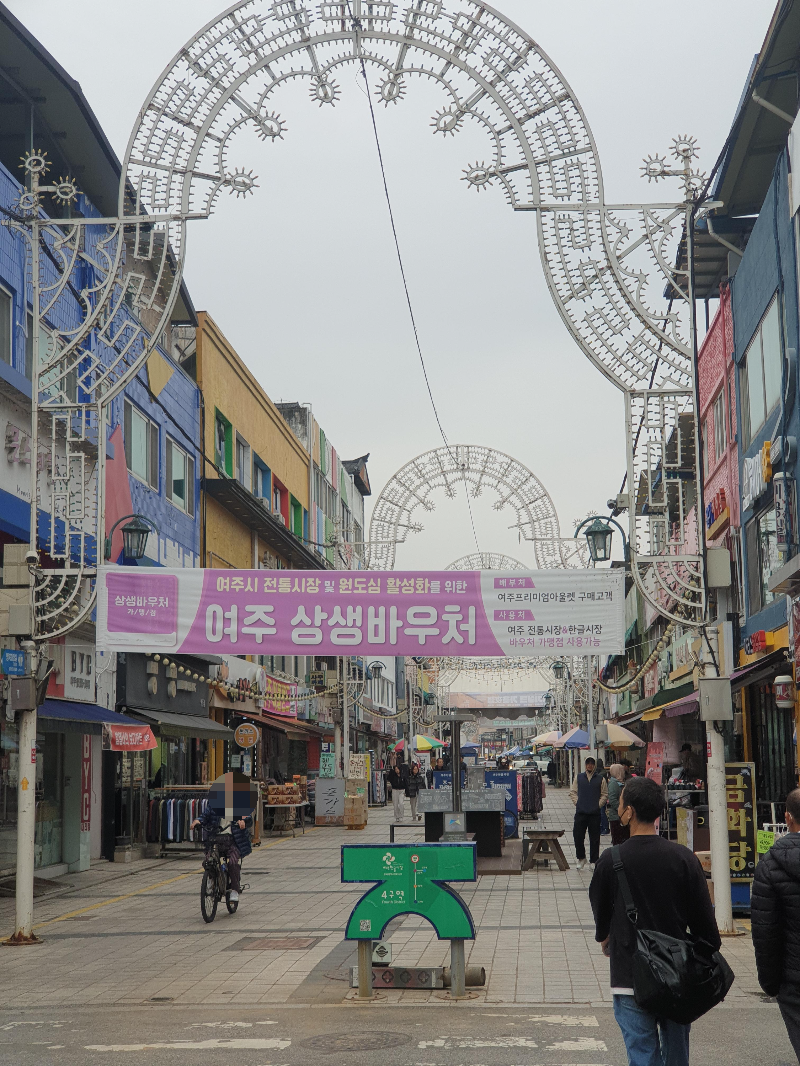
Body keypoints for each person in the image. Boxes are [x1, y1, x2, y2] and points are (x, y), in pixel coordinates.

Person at [589, 776, 721, 1066]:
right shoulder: (684, 858)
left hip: (629, 974)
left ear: (629, 812)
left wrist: (605, 937)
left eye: (620, 802)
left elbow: (600, 911)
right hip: (677, 975)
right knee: (676, 1056)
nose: (618, 807)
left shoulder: (611, 860)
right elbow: (708, 932)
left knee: (643, 1057)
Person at [751, 787, 800, 1059]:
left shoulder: (769, 866)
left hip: (793, 980)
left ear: (787, 818)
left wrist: (770, 983)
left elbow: (766, 932)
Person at [190, 807, 252, 903]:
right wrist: (198, 821)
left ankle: (235, 890)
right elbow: (205, 815)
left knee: (232, 863)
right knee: (208, 861)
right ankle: (212, 879)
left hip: (233, 841)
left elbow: (248, 817)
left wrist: (243, 821)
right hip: (215, 840)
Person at [569, 756, 608, 870]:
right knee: (578, 835)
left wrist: (598, 805)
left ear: (594, 765)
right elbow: (573, 792)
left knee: (594, 838)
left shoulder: (600, 779)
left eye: (592, 763)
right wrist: (578, 803)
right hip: (581, 812)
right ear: (585, 765)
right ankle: (581, 858)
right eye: (588, 763)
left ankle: (594, 860)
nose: (589, 765)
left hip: (594, 813)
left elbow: (604, 794)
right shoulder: (579, 777)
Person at [606, 763, 629, 846]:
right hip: (616, 817)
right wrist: (621, 809)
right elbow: (612, 800)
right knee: (617, 840)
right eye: (621, 770)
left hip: (622, 816)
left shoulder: (620, 782)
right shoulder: (613, 783)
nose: (623, 772)